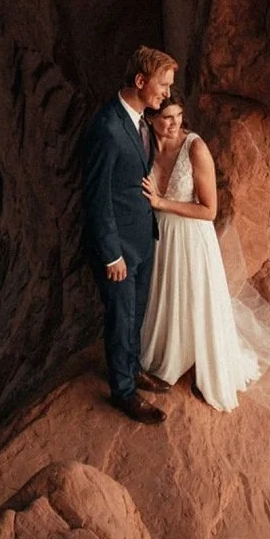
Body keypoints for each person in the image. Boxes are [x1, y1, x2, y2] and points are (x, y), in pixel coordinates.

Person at [140, 96, 270, 416]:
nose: (173, 124)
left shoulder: (195, 148)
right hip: (161, 239)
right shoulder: (145, 145)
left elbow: (209, 210)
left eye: (178, 116)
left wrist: (162, 204)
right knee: (167, 298)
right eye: (165, 118)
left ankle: (206, 364)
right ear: (149, 119)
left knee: (195, 300)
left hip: (191, 238)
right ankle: (168, 356)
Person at [81, 45, 178, 423]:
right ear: (140, 81)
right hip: (118, 247)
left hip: (141, 238)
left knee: (135, 312)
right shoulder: (107, 128)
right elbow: (96, 197)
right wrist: (111, 255)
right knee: (120, 317)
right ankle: (123, 391)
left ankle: (132, 368)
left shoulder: (140, 121)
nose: (167, 94)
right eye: (163, 85)